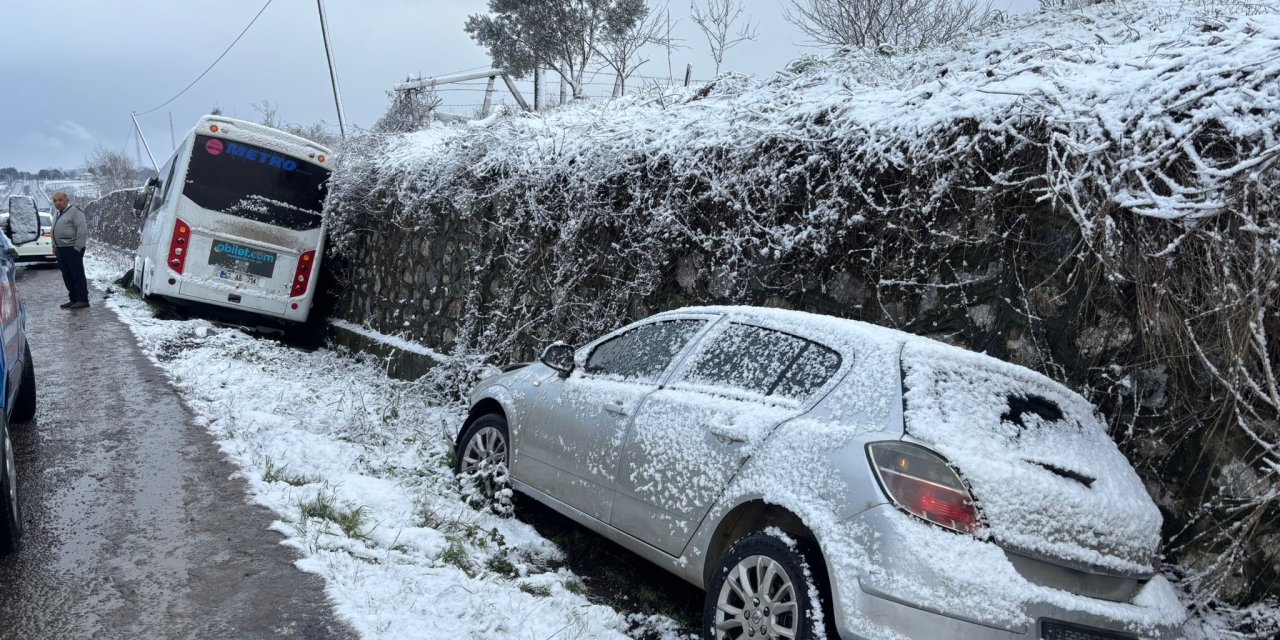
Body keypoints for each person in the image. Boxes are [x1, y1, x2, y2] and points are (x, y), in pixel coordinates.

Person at [51, 192, 89, 310]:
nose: (57, 203)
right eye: (55, 201)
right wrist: (54, 247)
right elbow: (53, 231)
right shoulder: (57, 213)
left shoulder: (75, 212)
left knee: (77, 274)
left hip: (72, 248)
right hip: (60, 249)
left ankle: (83, 299)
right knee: (67, 275)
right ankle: (73, 299)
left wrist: (78, 248)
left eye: (60, 200)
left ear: (66, 200)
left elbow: (82, 230)